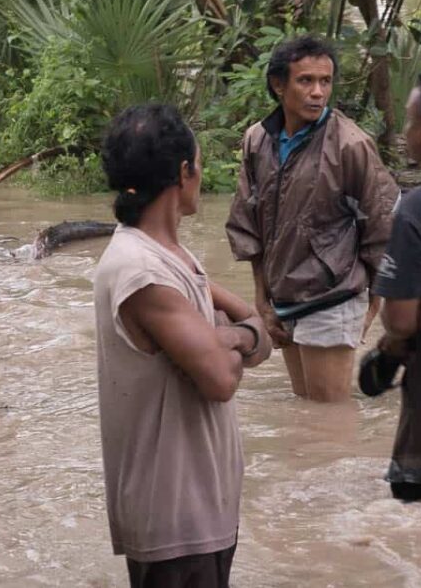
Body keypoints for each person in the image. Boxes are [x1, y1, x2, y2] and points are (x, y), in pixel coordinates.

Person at [94, 104, 270, 588]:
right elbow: (221, 379)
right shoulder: (142, 270)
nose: (202, 171)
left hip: (201, 506)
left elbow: (259, 335)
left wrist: (231, 335)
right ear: (182, 173)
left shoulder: (174, 256)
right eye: (198, 161)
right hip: (175, 516)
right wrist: (240, 338)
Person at [226, 35, 399, 402]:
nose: (318, 92)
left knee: (329, 418)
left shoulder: (351, 145)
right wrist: (261, 299)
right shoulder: (257, 141)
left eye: (326, 81)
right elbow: (248, 223)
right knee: (307, 412)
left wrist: (374, 304)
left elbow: (382, 226)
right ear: (278, 84)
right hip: (283, 299)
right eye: (306, 81)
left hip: (333, 297)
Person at [371, 71, 421, 502]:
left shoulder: (416, 210)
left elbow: (401, 320)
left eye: (409, 122)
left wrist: (388, 353)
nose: (405, 133)